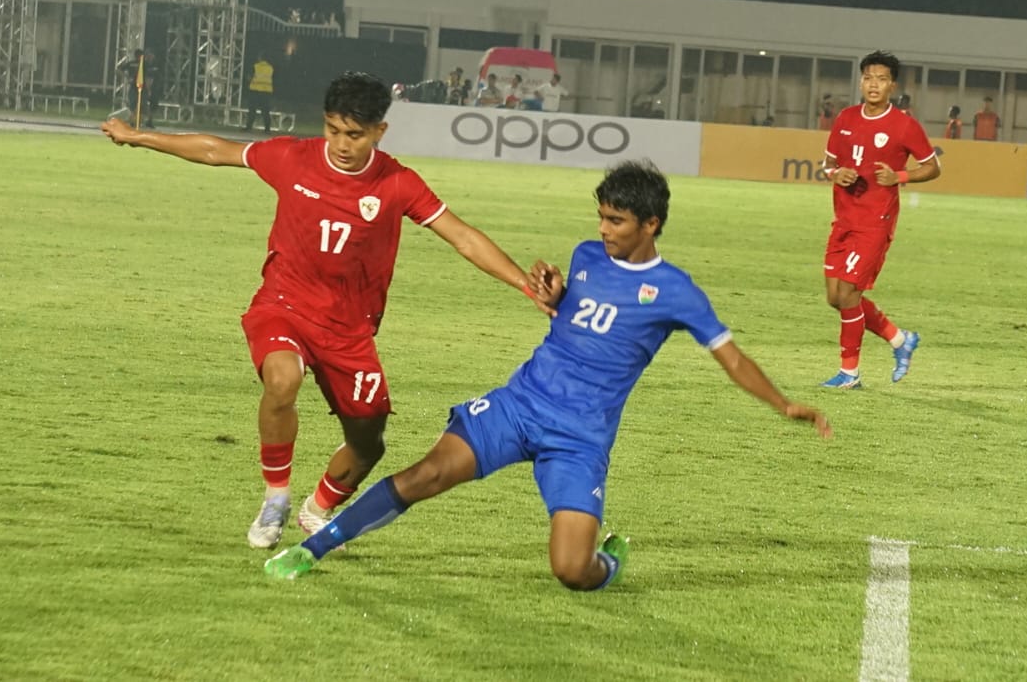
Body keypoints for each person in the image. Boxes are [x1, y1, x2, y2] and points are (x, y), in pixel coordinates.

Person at [263, 160, 832, 586]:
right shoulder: (586, 254)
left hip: (580, 436)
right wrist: (555, 293)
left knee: (570, 569)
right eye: (602, 217)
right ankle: (310, 551)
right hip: (521, 404)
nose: (604, 229)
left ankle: (607, 564)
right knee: (425, 476)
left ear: (651, 224)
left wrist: (783, 404)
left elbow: (730, 357)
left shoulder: (678, 293)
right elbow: (574, 311)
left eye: (618, 221)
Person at [100, 72, 556, 550]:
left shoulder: (398, 183)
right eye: (333, 130)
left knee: (368, 445)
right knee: (282, 380)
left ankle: (317, 507)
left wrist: (526, 285)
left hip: (349, 333)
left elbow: (462, 237)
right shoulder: (293, 158)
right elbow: (217, 150)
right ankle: (275, 496)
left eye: (354, 135)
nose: (340, 144)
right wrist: (139, 136)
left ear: (379, 131)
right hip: (284, 306)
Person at [820, 51, 941, 389]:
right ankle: (901, 340)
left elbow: (933, 167)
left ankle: (850, 374)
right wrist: (836, 173)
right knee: (836, 297)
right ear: (861, 82)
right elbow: (826, 164)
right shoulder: (845, 118)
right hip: (843, 220)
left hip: (876, 222)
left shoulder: (904, 125)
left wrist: (900, 176)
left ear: (892, 85)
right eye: (869, 78)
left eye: (882, 79)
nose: (874, 85)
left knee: (847, 292)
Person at [115, 48, 157, 128]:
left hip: (133, 86)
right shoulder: (144, 64)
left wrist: (126, 77)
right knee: (144, 105)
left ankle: (134, 121)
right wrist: (149, 89)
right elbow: (148, 77)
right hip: (142, 87)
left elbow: (118, 69)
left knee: (133, 105)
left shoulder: (131, 63)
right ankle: (146, 121)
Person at [242, 55, 275, 133]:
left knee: (252, 110)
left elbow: (249, 77)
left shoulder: (256, 66)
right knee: (266, 111)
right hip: (266, 91)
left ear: (260, 58)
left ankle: (249, 127)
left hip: (255, 90)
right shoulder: (270, 68)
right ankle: (267, 129)